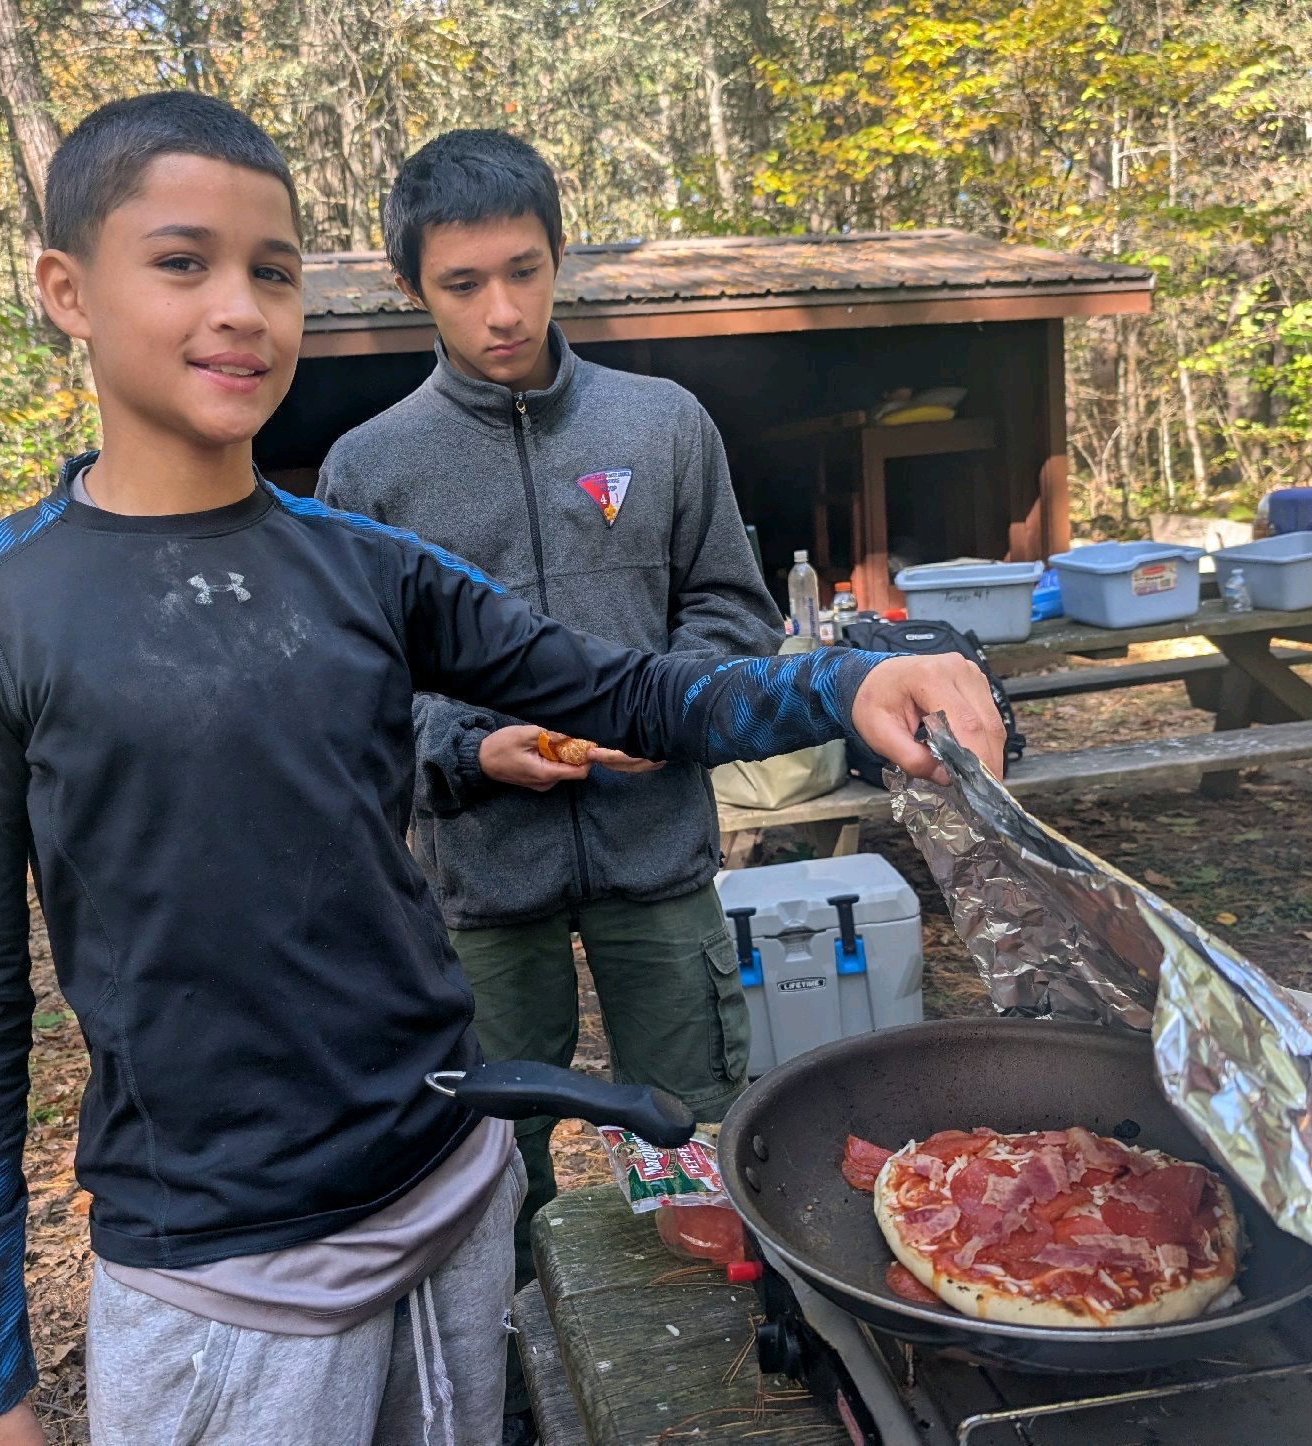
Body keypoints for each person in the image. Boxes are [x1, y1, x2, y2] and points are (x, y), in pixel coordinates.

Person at [0, 91, 1004, 1446]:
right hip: (219, 1268)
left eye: (274, 270)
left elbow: (636, 687)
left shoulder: (362, 563)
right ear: (66, 289)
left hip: (450, 1194)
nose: (240, 306)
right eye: (183, 262)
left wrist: (850, 674)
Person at [316, 132, 781, 1331]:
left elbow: (733, 605)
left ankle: (700, 1337)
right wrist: (472, 750)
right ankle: (515, 1349)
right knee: (485, 1151)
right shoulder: (370, 472)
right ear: (412, 285)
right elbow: (358, 697)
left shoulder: (664, 424)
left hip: (655, 849)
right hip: (479, 880)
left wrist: (670, 705)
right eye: (464, 284)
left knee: (694, 1113)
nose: (503, 310)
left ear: (560, 256)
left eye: (525, 270)